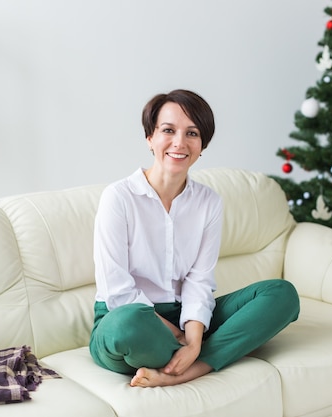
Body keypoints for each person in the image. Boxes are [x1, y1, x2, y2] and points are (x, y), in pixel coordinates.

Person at [89, 89, 299, 388]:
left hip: (185, 315)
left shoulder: (209, 202)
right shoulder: (118, 198)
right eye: (168, 130)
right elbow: (116, 289)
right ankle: (207, 354)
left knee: (281, 294)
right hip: (126, 318)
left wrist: (194, 340)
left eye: (192, 133)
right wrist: (180, 338)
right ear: (150, 137)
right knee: (129, 324)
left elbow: (199, 281)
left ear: (202, 146)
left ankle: (187, 369)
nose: (180, 142)